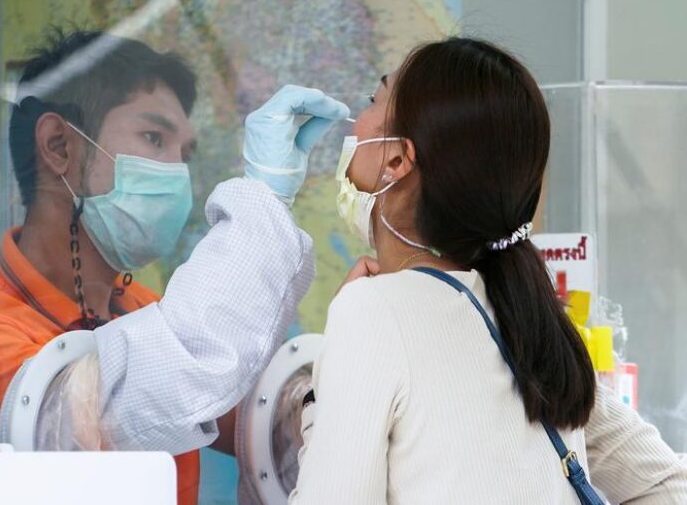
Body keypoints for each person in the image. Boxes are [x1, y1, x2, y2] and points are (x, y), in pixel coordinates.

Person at [0, 29, 349, 504]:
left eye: (184, 154)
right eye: (154, 138)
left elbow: (260, 419)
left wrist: (342, 378)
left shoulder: (141, 312)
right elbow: (125, 409)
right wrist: (263, 200)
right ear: (58, 145)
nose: (179, 175)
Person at [288, 38, 687, 503]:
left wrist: (316, 405)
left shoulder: (372, 311)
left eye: (373, 101)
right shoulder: (527, 316)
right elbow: (668, 486)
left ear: (397, 159)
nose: (357, 122)